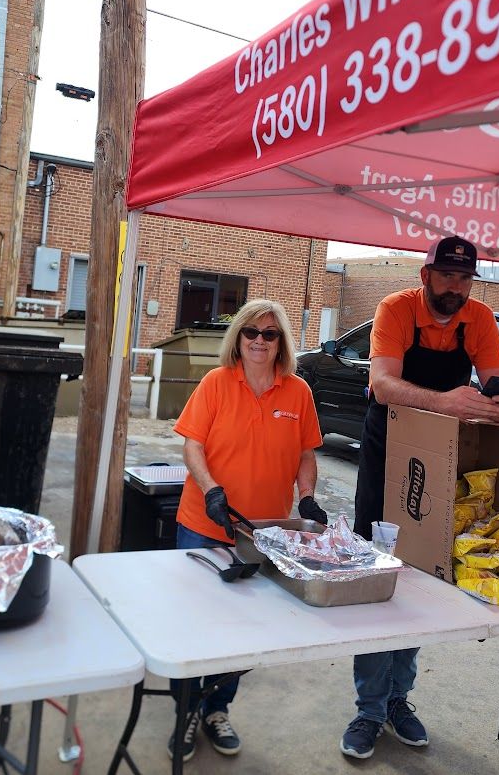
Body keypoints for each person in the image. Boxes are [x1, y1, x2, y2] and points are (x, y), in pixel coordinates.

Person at [340, 235, 499, 760]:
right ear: (426, 276)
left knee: (421, 571)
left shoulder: (480, 318)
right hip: (386, 449)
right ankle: (368, 708)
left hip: (438, 456)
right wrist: (446, 401)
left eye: (464, 279)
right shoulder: (394, 309)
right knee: (377, 577)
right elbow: (384, 383)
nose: (456, 288)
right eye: (447, 277)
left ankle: (399, 700)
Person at [169, 299, 328, 762]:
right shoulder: (216, 383)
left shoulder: (298, 391)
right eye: (251, 333)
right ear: (237, 338)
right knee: (191, 625)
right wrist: (211, 489)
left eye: (269, 334)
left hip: (261, 533)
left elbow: (305, 454)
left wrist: (306, 498)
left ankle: (216, 709)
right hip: (203, 523)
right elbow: (192, 445)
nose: (259, 341)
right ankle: (185, 712)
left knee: (239, 631)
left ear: (281, 343)